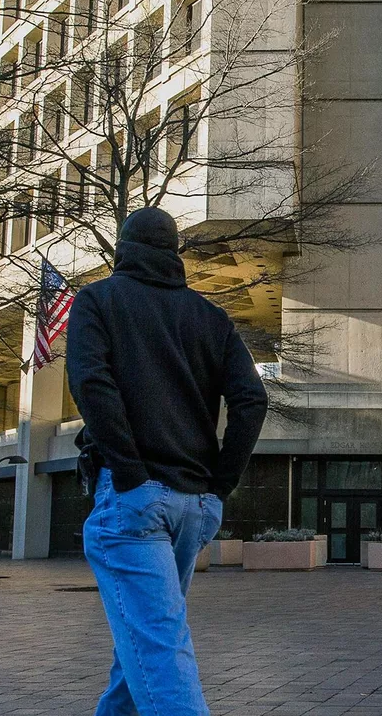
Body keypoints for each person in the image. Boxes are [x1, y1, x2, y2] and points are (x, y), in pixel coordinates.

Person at [67, 207, 268, 716]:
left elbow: (93, 385)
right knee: (140, 643)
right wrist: (218, 488)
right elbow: (251, 400)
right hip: (191, 507)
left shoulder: (97, 301)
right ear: (173, 253)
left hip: (135, 501)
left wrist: (130, 473)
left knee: (157, 647)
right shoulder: (210, 317)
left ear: (123, 246)